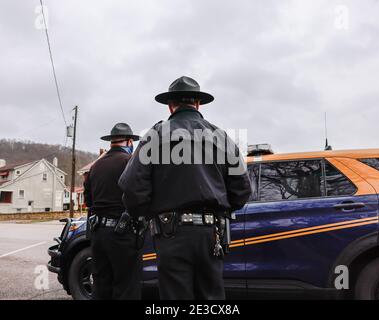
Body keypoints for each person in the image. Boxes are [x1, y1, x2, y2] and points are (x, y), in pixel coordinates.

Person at [118, 76, 252, 300]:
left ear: (171, 106)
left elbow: (132, 188)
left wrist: (148, 213)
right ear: (198, 104)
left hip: (171, 234)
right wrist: (221, 208)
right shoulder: (222, 137)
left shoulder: (155, 135)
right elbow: (242, 190)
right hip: (212, 235)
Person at [83, 123, 142, 300]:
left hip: (98, 234)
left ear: (111, 142)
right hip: (122, 234)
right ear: (130, 142)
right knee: (127, 287)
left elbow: (88, 201)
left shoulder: (96, 166)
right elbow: (139, 195)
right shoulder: (130, 162)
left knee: (101, 286)